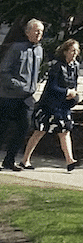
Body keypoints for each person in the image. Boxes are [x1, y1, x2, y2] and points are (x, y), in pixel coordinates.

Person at [19, 38, 82, 171]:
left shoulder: (75, 66)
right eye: (72, 50)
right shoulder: (57, 66)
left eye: (77, 51)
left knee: (65, 132)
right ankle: (25, 160)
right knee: (39, 131)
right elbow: (51, 87)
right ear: (65, 51)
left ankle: (70, 160)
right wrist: (66, 92)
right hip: (49, 105)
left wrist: (75, 95)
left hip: (63, 106)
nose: (75, 53)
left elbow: (74, 84)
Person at [1, 19, 45, 171]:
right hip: (9, 96)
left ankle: (10, 160)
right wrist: (19, 85)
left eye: (41, 31)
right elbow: (4, 71)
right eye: (36, 31)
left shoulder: (39, 50)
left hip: (27, 98)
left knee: (24, 128)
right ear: (27, 32)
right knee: (3, 129)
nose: (39, 34)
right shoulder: (16, 48)